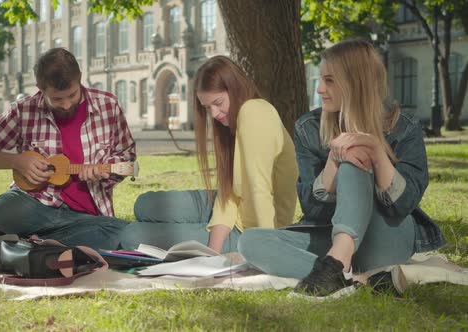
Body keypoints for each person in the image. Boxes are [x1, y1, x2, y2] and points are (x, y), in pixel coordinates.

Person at [238, 39, 445, 296]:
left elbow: (405, 204)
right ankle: (357, 276)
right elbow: (312, 209)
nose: (320, 89)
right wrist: (333, 162)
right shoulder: (308, 128)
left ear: (355, 83)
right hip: (330, 233)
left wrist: (377, 152)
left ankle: (336, 266)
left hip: (386, 235)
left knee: (354, 159)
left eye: (330, 80)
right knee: (250, 241)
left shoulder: (404, 127)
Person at [119, 55, 298, 253]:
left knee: (132, 235)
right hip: (230, 208)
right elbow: (229, 190)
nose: (213, 114)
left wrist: (268, 249)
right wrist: (214, 247)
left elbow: (259, 189)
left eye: (218, 102)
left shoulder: (254, 112)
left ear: (235, 88)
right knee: (144, 204)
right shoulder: (235, 120)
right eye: (207, 107)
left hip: (253, 231)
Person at [0, 48, 136, 250]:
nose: (66, 105)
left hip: (86, 217)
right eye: (56, 99)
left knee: (127, 233)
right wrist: (16, 161)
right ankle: (41, 246)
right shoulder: (22, 111)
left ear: (80, 78)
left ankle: (31, 245)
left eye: (72, 95)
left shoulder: (108, 105)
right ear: (40, 87)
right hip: (30, 203)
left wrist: (104, 170)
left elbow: (128, 158)